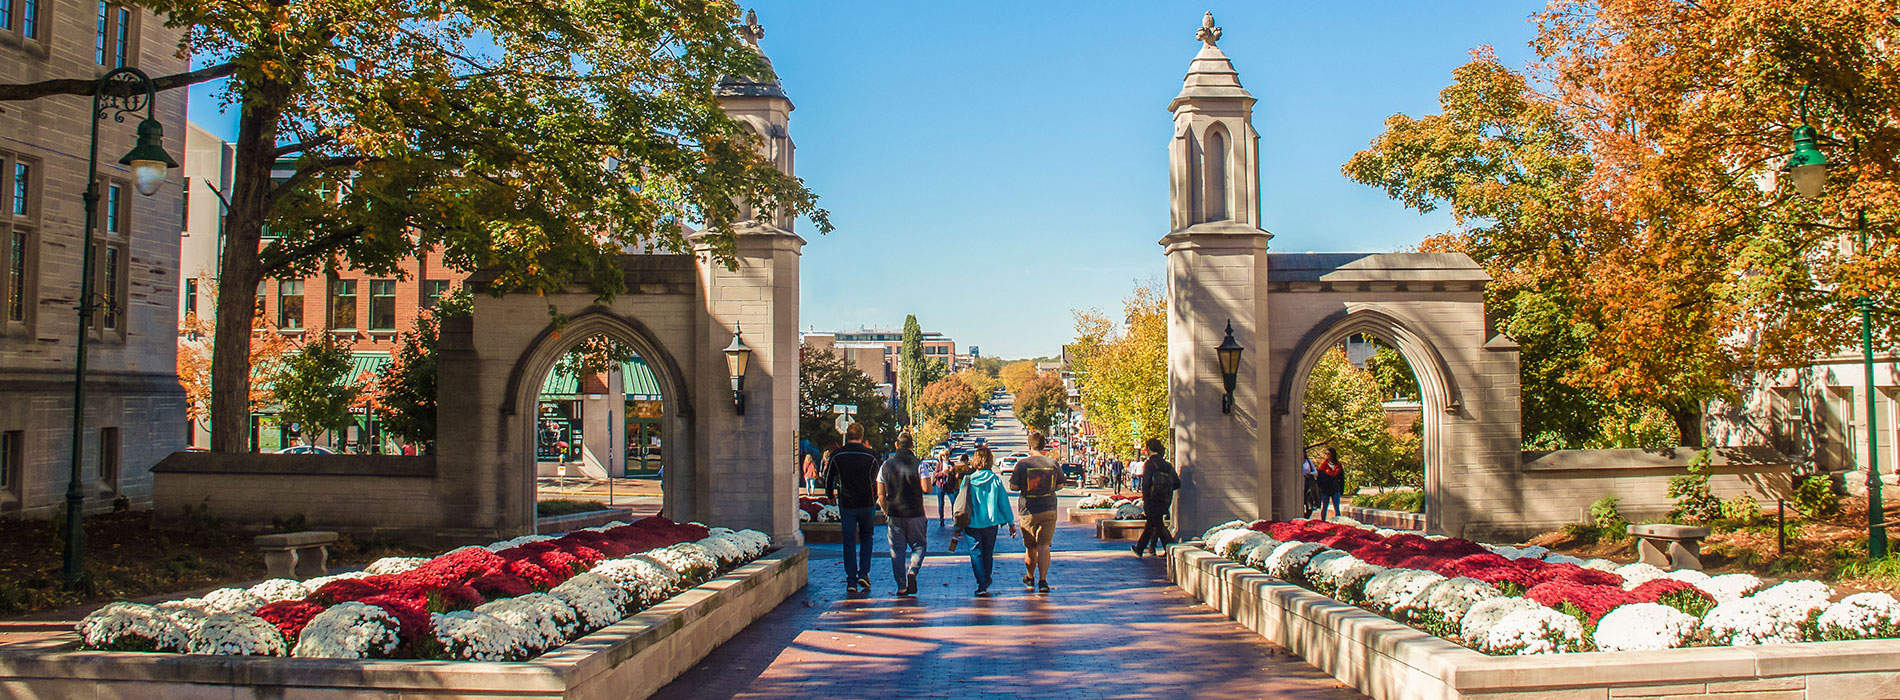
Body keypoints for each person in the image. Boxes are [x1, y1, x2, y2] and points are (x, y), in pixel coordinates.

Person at [948, 446, 1014, 596]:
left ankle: (981, 582)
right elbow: (1003, 502)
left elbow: (961, 502)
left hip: (971, 523)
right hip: (991, 523)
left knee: (976, 553)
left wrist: (957, 525)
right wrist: (1010, 523)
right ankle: (986, 577)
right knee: (988, 552)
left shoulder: (968, 479)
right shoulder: (995, 480)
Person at [825, 423, 881, 593]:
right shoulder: (870, 456)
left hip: (847, 503)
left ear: (847, 435)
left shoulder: (838, 455)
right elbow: (878, 479)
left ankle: (851, 580)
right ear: (862, 436)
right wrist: (876, 497)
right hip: (866, 503)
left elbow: (828, 477)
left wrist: (830, 495)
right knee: (867, 538)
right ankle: (863, 573)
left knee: (849, 541)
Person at [1010, 430, 1064, 593]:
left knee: (1030, 547)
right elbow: (1060, 485)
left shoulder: (1022, 464)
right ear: (1043, 445)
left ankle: (1030, 576)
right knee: (1044, 546)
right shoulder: (1053, 463)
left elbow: (1013, 486)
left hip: (1028, 510)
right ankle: (1043, 580)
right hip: (1049, 508)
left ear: (1029, 445)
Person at [877, 431, 929, 596]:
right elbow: (927, 488)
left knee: (897, 550)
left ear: (896, 445)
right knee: (919, 545)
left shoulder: (886, 465)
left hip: (895, 513)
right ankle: (913, 569)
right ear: (912, 446)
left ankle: (901, 585)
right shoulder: (920, 464)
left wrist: (886, 510)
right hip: (915, 512)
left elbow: (880, 493)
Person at [1132, 437, 1180, 557]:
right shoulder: (1167, 465)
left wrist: (1146, 498)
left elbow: (1146, 484)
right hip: (1165, 500)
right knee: (1155, 524)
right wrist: (1165, 490)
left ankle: (1170, 547)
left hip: (1152, 500)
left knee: (1154, 524)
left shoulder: (1150, 464)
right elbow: (1177, 483)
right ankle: (1143, 548)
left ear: (1148, 448)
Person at [936, 455, 969, 527]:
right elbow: (936, 475)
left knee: (954, 502)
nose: (946, 456)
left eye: (947, 455)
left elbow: (955, 476)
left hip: (949, 486)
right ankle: (941, 519)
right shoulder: (939, 464)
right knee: (941, 503)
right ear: (941, 457)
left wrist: (951, 472)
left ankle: (954, 519)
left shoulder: (951, 464)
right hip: (940, 486)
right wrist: (942, 472)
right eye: (944, 455)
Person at [1315, 447, 1345, 520]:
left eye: (1328, 454)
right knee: (1324, 507)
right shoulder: (1323, 466)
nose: (1327, 455)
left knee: (1337, 508)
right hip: (1325, 490)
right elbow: (1319, 479)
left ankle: (1339, 522)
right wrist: (1320, 488)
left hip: (1335, 489)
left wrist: (1341, 489)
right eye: (1326, 454)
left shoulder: (1339, 466)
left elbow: (1342, 479)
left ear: (1333, 455)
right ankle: (1323, 522)